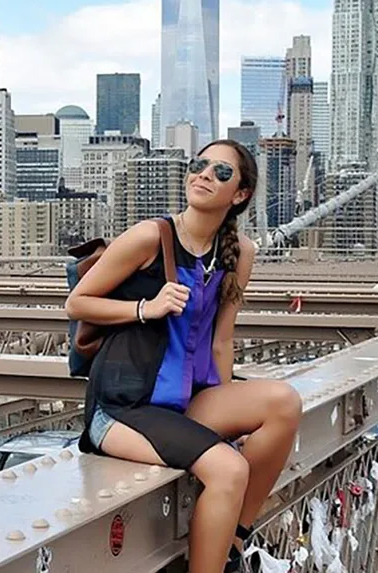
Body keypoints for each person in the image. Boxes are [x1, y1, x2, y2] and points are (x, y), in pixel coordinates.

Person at [64, 139, 303, 573]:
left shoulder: (239, 253)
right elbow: (78, 303)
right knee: (228, 470)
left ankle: (232, 538)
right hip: (123, 408)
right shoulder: (150, 237)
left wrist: (231, 417)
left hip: (185, 402)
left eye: (222, 172)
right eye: (200, 165)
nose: (205, 175)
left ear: (241, 194)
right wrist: (146, 308)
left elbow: (221, 342)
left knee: (284, 403)